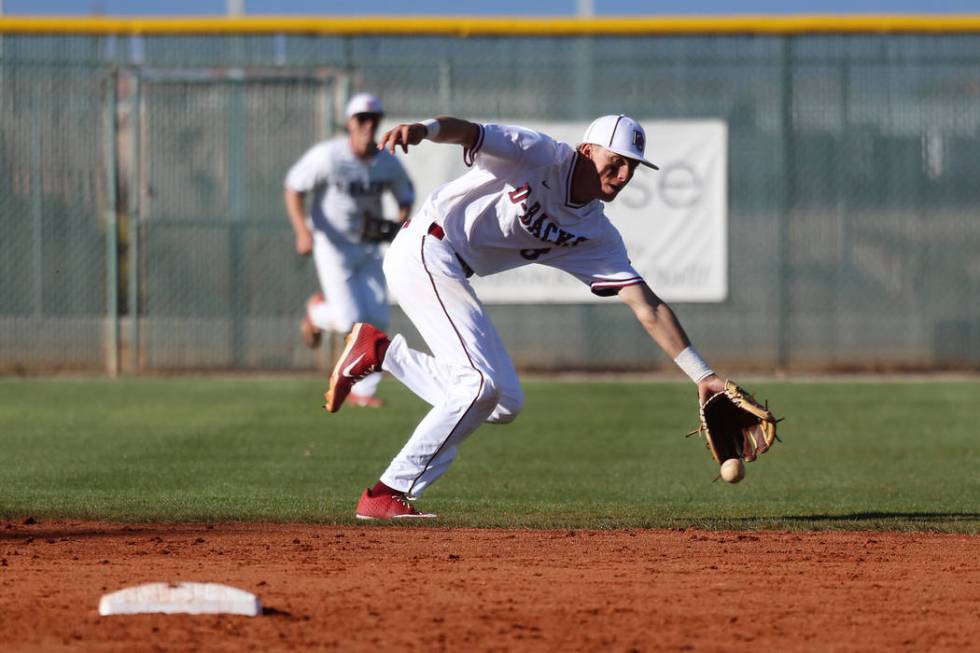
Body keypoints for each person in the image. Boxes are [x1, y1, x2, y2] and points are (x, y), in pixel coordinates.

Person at [323, 114, 726, 520]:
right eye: (616, 161)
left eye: (632, 167)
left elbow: (648, 306)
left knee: (503, 402)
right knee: (479, 385)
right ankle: (388, 491)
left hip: (447, 267)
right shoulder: (540, 154)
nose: (623, 175)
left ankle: (380, 353)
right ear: (586, 151)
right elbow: (469, 132)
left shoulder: (595, 233)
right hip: (427, 247)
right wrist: (425, 130)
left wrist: (702, 375)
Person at [284, 93, 415, 408]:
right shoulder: (329, 156)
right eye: (361, 119)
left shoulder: (386, 160)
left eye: (374, 119)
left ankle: (363, 392)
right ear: (349, 123)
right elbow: (294, 187)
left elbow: (405, 194)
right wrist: (303, 231)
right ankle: (317, 314)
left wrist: (400, 223)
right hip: (333, 245)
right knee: (350, 320)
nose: (368, 125)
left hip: (368, 245)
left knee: (377, 320)